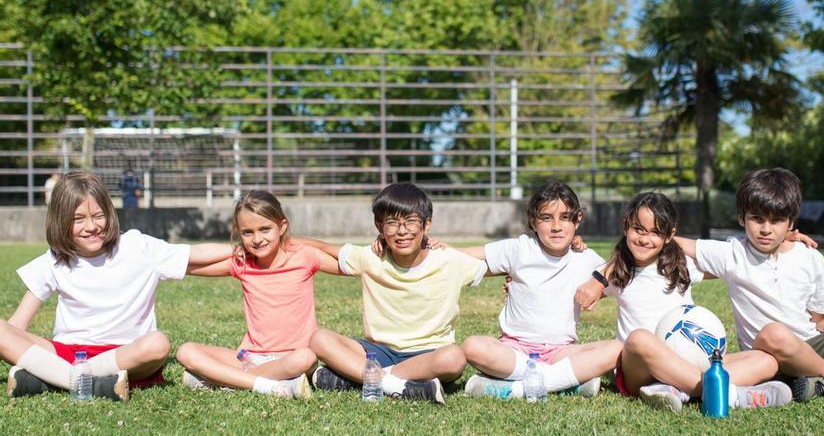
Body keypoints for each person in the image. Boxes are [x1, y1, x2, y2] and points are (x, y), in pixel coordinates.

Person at [1, 171, 231, 401]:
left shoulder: (137, 246)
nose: (91, 226)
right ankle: (93, 383)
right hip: (70, 353)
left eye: (98, 215)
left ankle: (54, 378)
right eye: (78, 219)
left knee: (158, 343)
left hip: (127, 354)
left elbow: (196, 254)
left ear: (109, 213)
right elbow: (15, 328)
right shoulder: (54, 260)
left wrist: (242, 249)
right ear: (60, 220)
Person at [676, 168, 824, 402]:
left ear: (790, 223)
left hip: (813, 344)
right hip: (769, 351)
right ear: (742, 218)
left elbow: (822, 320)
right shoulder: (732, 253)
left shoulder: (810, 257)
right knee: (777, 333)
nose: (766, 229)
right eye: (757, 219)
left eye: (777, 221)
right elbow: (674, 242)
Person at [591, 192, 791, 412]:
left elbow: (735, 259)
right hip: (640, 370)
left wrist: (782, 244)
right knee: (639, 339)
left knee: (766, 360)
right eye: (638, 229)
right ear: (625, 226)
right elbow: (581, 282)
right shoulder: (617, 271)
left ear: (670, 236)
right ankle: (726, 394)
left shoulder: (682, 264)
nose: (645, 239)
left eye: (656, 232)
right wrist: (591, 270)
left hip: (690, 361)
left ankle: (678, 389)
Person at [295, 182, 488, 404]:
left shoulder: (450, 260)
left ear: (427, 225)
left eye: (411, 222)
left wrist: (512, 280)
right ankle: (397, 385)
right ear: (379, 226)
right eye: (392, 223)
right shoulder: (371, 257)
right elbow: (322, 249)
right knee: (320, 339)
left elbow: (500, 262)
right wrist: (279, 242)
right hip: (377, 351)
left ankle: (358, 377)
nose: (402, 231)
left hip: (428, 356)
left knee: (454, 358)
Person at [458, 181, 621, 400]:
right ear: (533, 221)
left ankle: (514, 389)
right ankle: (564, 383)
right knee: (472, 347)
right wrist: (433, 247)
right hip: (514, 350)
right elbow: (465, 256)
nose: (556, 226)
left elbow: (624, 272)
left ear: (577, 220)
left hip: (560, 352)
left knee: (616, 349)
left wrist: (598, 283)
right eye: (546, 218)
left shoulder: (585, 258)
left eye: (565, 217)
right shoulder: (520, 248)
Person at [177, 190, 341, 399]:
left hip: (292, 357)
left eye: (265, 229)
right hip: (250, 357)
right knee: (186, 351)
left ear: (282, 227)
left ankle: (225, 380)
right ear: (239, 233)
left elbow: (349, 264)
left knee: (306, 358)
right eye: (247, 233)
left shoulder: (305, 256)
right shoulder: (242, 263)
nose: (257, 239)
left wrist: (312, 243)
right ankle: (267, 384)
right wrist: (233, 250)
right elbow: (187, 265)